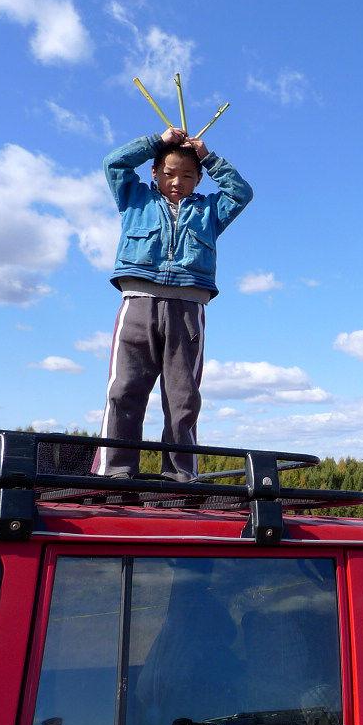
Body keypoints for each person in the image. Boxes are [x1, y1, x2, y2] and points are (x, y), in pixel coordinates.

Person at [93, 127, 253, 480]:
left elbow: (240, 192)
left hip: (188, 307)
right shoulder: (135, 198)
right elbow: (114, 162)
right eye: (168, 173)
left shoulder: (209, 211)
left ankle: (180, 475)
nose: (177, 182)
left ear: (199, 179)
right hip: (139, 301)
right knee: (124, 389)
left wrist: (210, 158)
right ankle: (115, 471)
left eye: (187, 176)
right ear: (154, 173)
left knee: (183, 397)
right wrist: (156, 142)